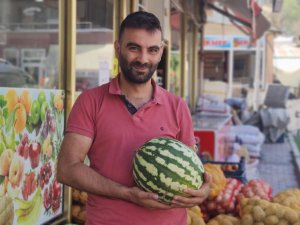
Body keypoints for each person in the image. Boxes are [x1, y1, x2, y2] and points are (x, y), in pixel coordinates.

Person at [57, 11, 211, 225]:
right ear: (118, 48)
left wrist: (203, 190)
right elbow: (67, 169)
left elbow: (190, 169)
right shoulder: (90, 101)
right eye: (134, 48)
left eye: (152, 50)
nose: (143, 59)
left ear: (161, 52)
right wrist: (127, 193)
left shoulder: (177, 106)